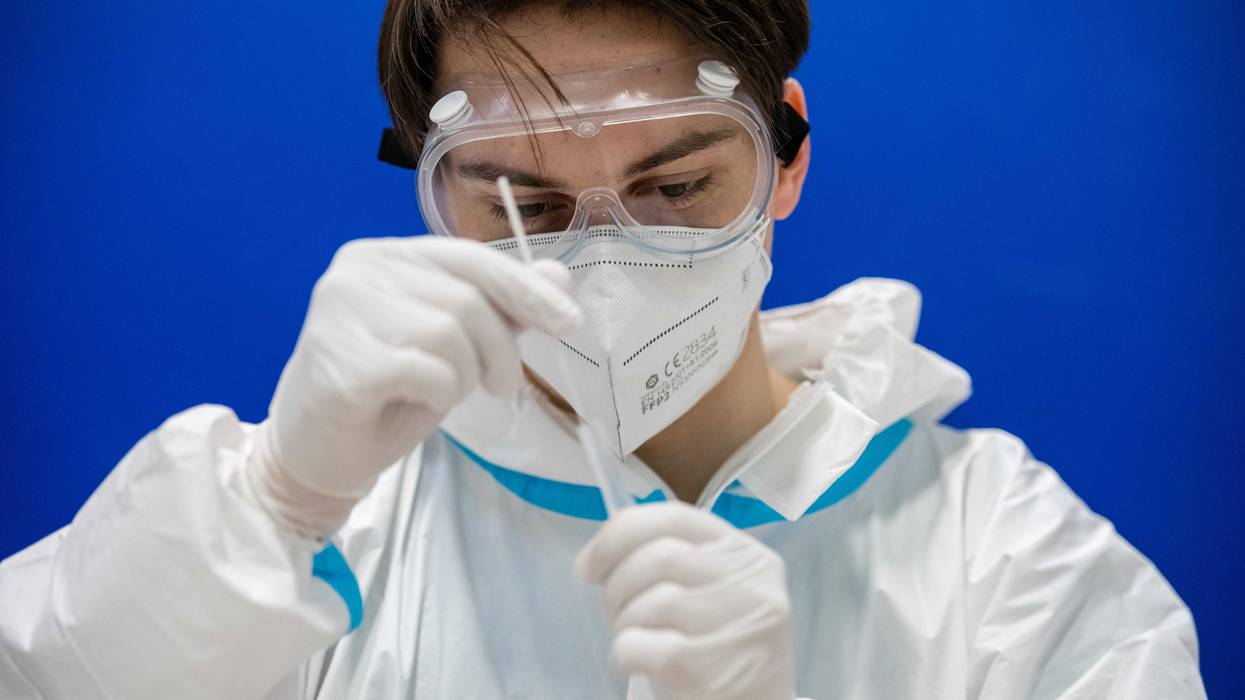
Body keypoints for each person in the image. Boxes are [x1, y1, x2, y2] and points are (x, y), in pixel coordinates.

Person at [0, 2, 1206, 698]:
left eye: (676, 186)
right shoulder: (316, 536)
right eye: (521, 203)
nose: (606, 261)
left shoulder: (1006, 563)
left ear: (786, 159)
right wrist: (275, 504)